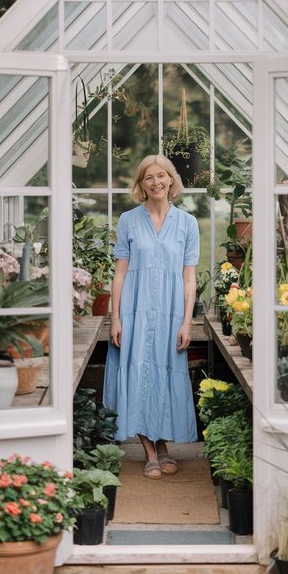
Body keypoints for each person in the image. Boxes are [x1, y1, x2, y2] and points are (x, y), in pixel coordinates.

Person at [102, 154, 200, 480]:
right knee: (139, 373)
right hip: (134, 312)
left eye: (162, 176)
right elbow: (119, 273)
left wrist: (187, 321)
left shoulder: (188, 224)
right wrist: (115, 318)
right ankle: (149, 451)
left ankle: (164, 445)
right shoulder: (128, 220)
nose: (156, 182)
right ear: (141, 184)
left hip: (171, 314)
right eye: (148, 177)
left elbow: (189, 277)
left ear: (172, 180)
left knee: (167, 372)